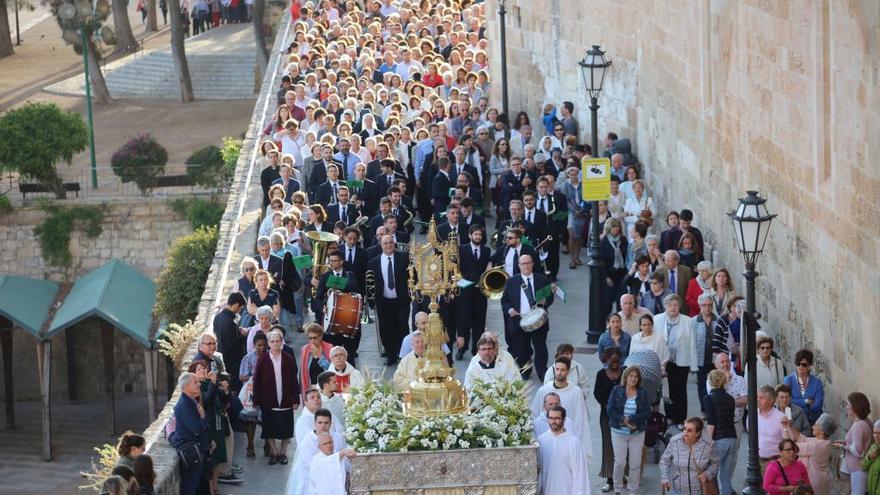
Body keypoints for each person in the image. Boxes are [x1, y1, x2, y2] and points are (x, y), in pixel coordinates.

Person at [500, 254, 554, 379]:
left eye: (528, 263)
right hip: (519, 320)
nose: (526, 266)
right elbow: (504, 301)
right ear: (519, 266)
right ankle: (525, 370)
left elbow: (549, 298)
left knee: (540, 347)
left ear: (532, 264)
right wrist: (510, 309)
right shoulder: (511, 281)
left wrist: (545, 301)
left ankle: (542, 372)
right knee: (521, 348)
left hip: (538, 321)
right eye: (523, 264)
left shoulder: (542, 279)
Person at [530, 357, 593, 459]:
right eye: (557, 369)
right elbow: (534, 414)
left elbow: (580, 420)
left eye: (562, 370)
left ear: (568, 371)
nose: (559, 372)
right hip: (546, 444)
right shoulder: (543, 390)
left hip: (567, 443)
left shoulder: (576, 392)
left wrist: (576, 443)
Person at [253, 330, 299, 466]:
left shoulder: (288, 358)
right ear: (268, 343)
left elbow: (293, 379)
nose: (275, 343)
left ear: (281, 342)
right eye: (272, 341)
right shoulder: (263, 359)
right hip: (268, 399)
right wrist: (256, 400)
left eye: (277, 341)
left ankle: (283, 453)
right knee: (269, 427)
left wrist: (296, 398)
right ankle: (274, 453)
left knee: (286, 427)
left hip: (285, 398)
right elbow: (257, 381)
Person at [607, 366, 651, 495]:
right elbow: (610, 410)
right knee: (620, 462)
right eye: (631, 376)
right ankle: (617, 489)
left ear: (638, 380)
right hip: (618, 432)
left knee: (635, 464)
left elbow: (647, 413)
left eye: (636, 377)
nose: (633, 378)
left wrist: (632, 419)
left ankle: (632, 490)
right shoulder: (616, 390)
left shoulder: (642, 393)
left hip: (637, 433)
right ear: (626, 377)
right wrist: (623, 420)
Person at [654, 294, 696, 428]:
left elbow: (692, 343)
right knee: (667, 389)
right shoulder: (657, 320)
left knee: (680, 390)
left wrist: (693, 365)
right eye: (670, 305)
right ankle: (670, 416)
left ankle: (680, 418)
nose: (673, 308)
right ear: (665, 306)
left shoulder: (687, 321)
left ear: (679, 307)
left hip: (681, 361)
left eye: (675, 305)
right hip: (664, 361)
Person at [368, 234, 411, 365]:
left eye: (391, 243)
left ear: (394, 243)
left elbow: (412, 276)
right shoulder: (373, 262)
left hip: (402, 300)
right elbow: (370, 284)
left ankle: (402, 354)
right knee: (386, 329)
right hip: (384, 302)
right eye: (385, 243)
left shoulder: (404, 257)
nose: (388, 245)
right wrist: (371, 302)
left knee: (403, 326)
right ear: (381, 245)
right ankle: (391, 355)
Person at [288, 409, 346, 495]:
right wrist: (337, 457)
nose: (323, 426)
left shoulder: (337, 437)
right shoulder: (307, 442)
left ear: (331, 424)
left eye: (326, 423)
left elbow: (344, 459)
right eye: (320, 423)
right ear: (314, 423)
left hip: (334, 479)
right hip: (311, 482)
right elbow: (313, 465)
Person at [455, 224, 491, 360]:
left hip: (481, 293)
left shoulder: (486, 250)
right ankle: (461, 348)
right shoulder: (461, 249)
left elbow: (490, 263)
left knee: (479, 323)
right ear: (470, 236)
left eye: (480, 235)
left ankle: (477, 351)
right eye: (475, 234)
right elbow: (455, 267)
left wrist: (491, 264)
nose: (478, 237)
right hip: (464, 293)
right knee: (463, 322)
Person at [169, 372, 209, 495]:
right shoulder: (183, 405)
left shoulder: (191, 401)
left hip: (198, 450)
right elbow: (196, 428)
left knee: (200, 485)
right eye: (195, 382)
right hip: (192, 452)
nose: (199, 384)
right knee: (190, 487)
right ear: (186, 386)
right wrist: (202, 417)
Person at [537, 405, 590, 495]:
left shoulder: (573, 442)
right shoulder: (541, 440)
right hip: (547, 490)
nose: (553, 421)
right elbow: (539, 470)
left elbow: (580, 473)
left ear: (564, 420)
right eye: (551, 418)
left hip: (567, 490)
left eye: (557, 418)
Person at [659, 417, 720, 494]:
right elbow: (664, 460)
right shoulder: (674, 441)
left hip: (699, 491)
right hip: (678, 491)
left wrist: (707, 474)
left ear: (697, 433)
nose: (685, 432)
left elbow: (716, 462)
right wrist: (664, 477)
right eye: (684, 429)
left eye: (689, 430)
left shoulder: (708, 445)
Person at [594, 347, 625, 492]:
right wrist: (605, 404)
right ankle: (610, 479)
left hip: (623, 416)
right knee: (608, 446)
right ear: (606, 360)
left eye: (618, 361)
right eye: (612, 361)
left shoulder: (625, 373)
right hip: (606, 417)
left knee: (623, 447)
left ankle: (622, 475)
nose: (615, 364)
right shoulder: (601, 374)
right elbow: (596, 393)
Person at [783, 412, 836, 495]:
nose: (812, 427)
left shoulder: (817, 445)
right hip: (820, 480)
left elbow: (790, 448)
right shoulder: (822, 442)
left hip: (813, 481)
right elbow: (801, 438)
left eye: (815, 425)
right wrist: (791, 425)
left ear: (822, 430)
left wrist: (785, 428)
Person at [705, 370, 737, 495]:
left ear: (710, 381)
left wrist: (707, 442)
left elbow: (711, 422)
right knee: (725, 476)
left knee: (712, 473)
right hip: (732, 438)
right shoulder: (730, 399)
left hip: (719, 439)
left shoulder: (708, 398)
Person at [834, 392, 873, 495]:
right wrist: (845, 442)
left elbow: (858, 451)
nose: (846, 407)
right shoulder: (866, 421)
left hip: (859, 468)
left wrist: (843, 446)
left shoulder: (858, 426)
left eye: (848, 405)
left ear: (855, 407)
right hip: (861, 468)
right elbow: (861, 443)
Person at [238, 330, 267, 458]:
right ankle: (250, 445)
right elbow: (241, 376)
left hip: (267, 392)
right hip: (252, 393)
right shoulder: (248, 358)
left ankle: (267, 445)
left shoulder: (269, 357)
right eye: (259, 345)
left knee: (267, 419)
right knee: (251, 420)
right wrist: (254, 377)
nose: (262, 348)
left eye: (264, 345)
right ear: (254, 345)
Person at [782, 349, 825, 425]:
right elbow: (787, 401)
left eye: (804, 365)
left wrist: (797, 403)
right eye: (798, 364)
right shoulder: (788, 380)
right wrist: (805, 402)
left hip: (813, 421)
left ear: (809, 365)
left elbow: (818, 404)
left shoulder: (817, 382)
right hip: (794, 420)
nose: (800, 367)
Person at [214, 292, 246, 390]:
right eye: (240, 308)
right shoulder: (230, 321)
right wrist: (242, 335)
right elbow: (233, 344)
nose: (239, 310)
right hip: (232, 361)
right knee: (235, 387)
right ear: (236, 305)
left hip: (221, 357)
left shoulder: (218, 317)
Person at [693, 293, 717, 414]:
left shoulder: (717, 320)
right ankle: (704, 410)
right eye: (704, 305)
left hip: (715, 358)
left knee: (716, 384)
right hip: (701, 358)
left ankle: (714, 409)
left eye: (709, 305)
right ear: (699, 306)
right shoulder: (694, 321)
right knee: (702, 385)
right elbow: (691, 342)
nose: (707, 308)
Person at [757, 385, 786, 474]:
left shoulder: (781, 417)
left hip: (774, 461)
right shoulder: (752, 415)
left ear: (771, 400)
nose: (758, 400)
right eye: (757, 397)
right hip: (756, 461)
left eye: (762, 398)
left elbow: (787, 441)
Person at [654, 250, 694, 315]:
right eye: (665, 260)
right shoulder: (660, 272)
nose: (666, 263)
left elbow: (690, 289)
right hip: (665, 308)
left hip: (682, 308)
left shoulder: (686, 271)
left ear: (676, 261)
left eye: (669, 261)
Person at [299, 323, 333, 396]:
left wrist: (319, 355)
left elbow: (332, 369)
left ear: (321, 336)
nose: (312, 340)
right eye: (310, 338)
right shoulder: (304, 350)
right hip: (311, 389)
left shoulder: (329, 348)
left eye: (315, 338)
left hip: (326, 389)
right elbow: (302, 372)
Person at [861, 420, 880, 495]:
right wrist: (870, 458)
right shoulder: (873, 447)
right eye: (875, 433)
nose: (876, 436)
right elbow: (863, 466)